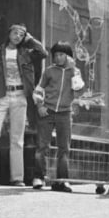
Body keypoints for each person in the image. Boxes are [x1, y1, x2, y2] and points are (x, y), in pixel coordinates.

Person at [0, 23, 48, 186]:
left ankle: (17, 178)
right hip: (0, 95)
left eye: (21, 35)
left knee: (17, 139)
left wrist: (31, 39)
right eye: (15, 33)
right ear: (9, 33)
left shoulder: (27, 53)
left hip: (20, 96)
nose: (18, 36)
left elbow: (43, 52)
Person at [31, 41, 85, 191]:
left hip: (65, 113)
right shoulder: (49, 71)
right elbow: (38, 90)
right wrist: (40, 106)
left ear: (68, 56)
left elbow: (79, 91)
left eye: (62, 55)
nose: (58, 58)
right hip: (47, 111)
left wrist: (73, 70)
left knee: (64, 148)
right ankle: (38, 177)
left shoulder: (75, 71)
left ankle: (63, 180)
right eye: (56, 55)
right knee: (42, 146)